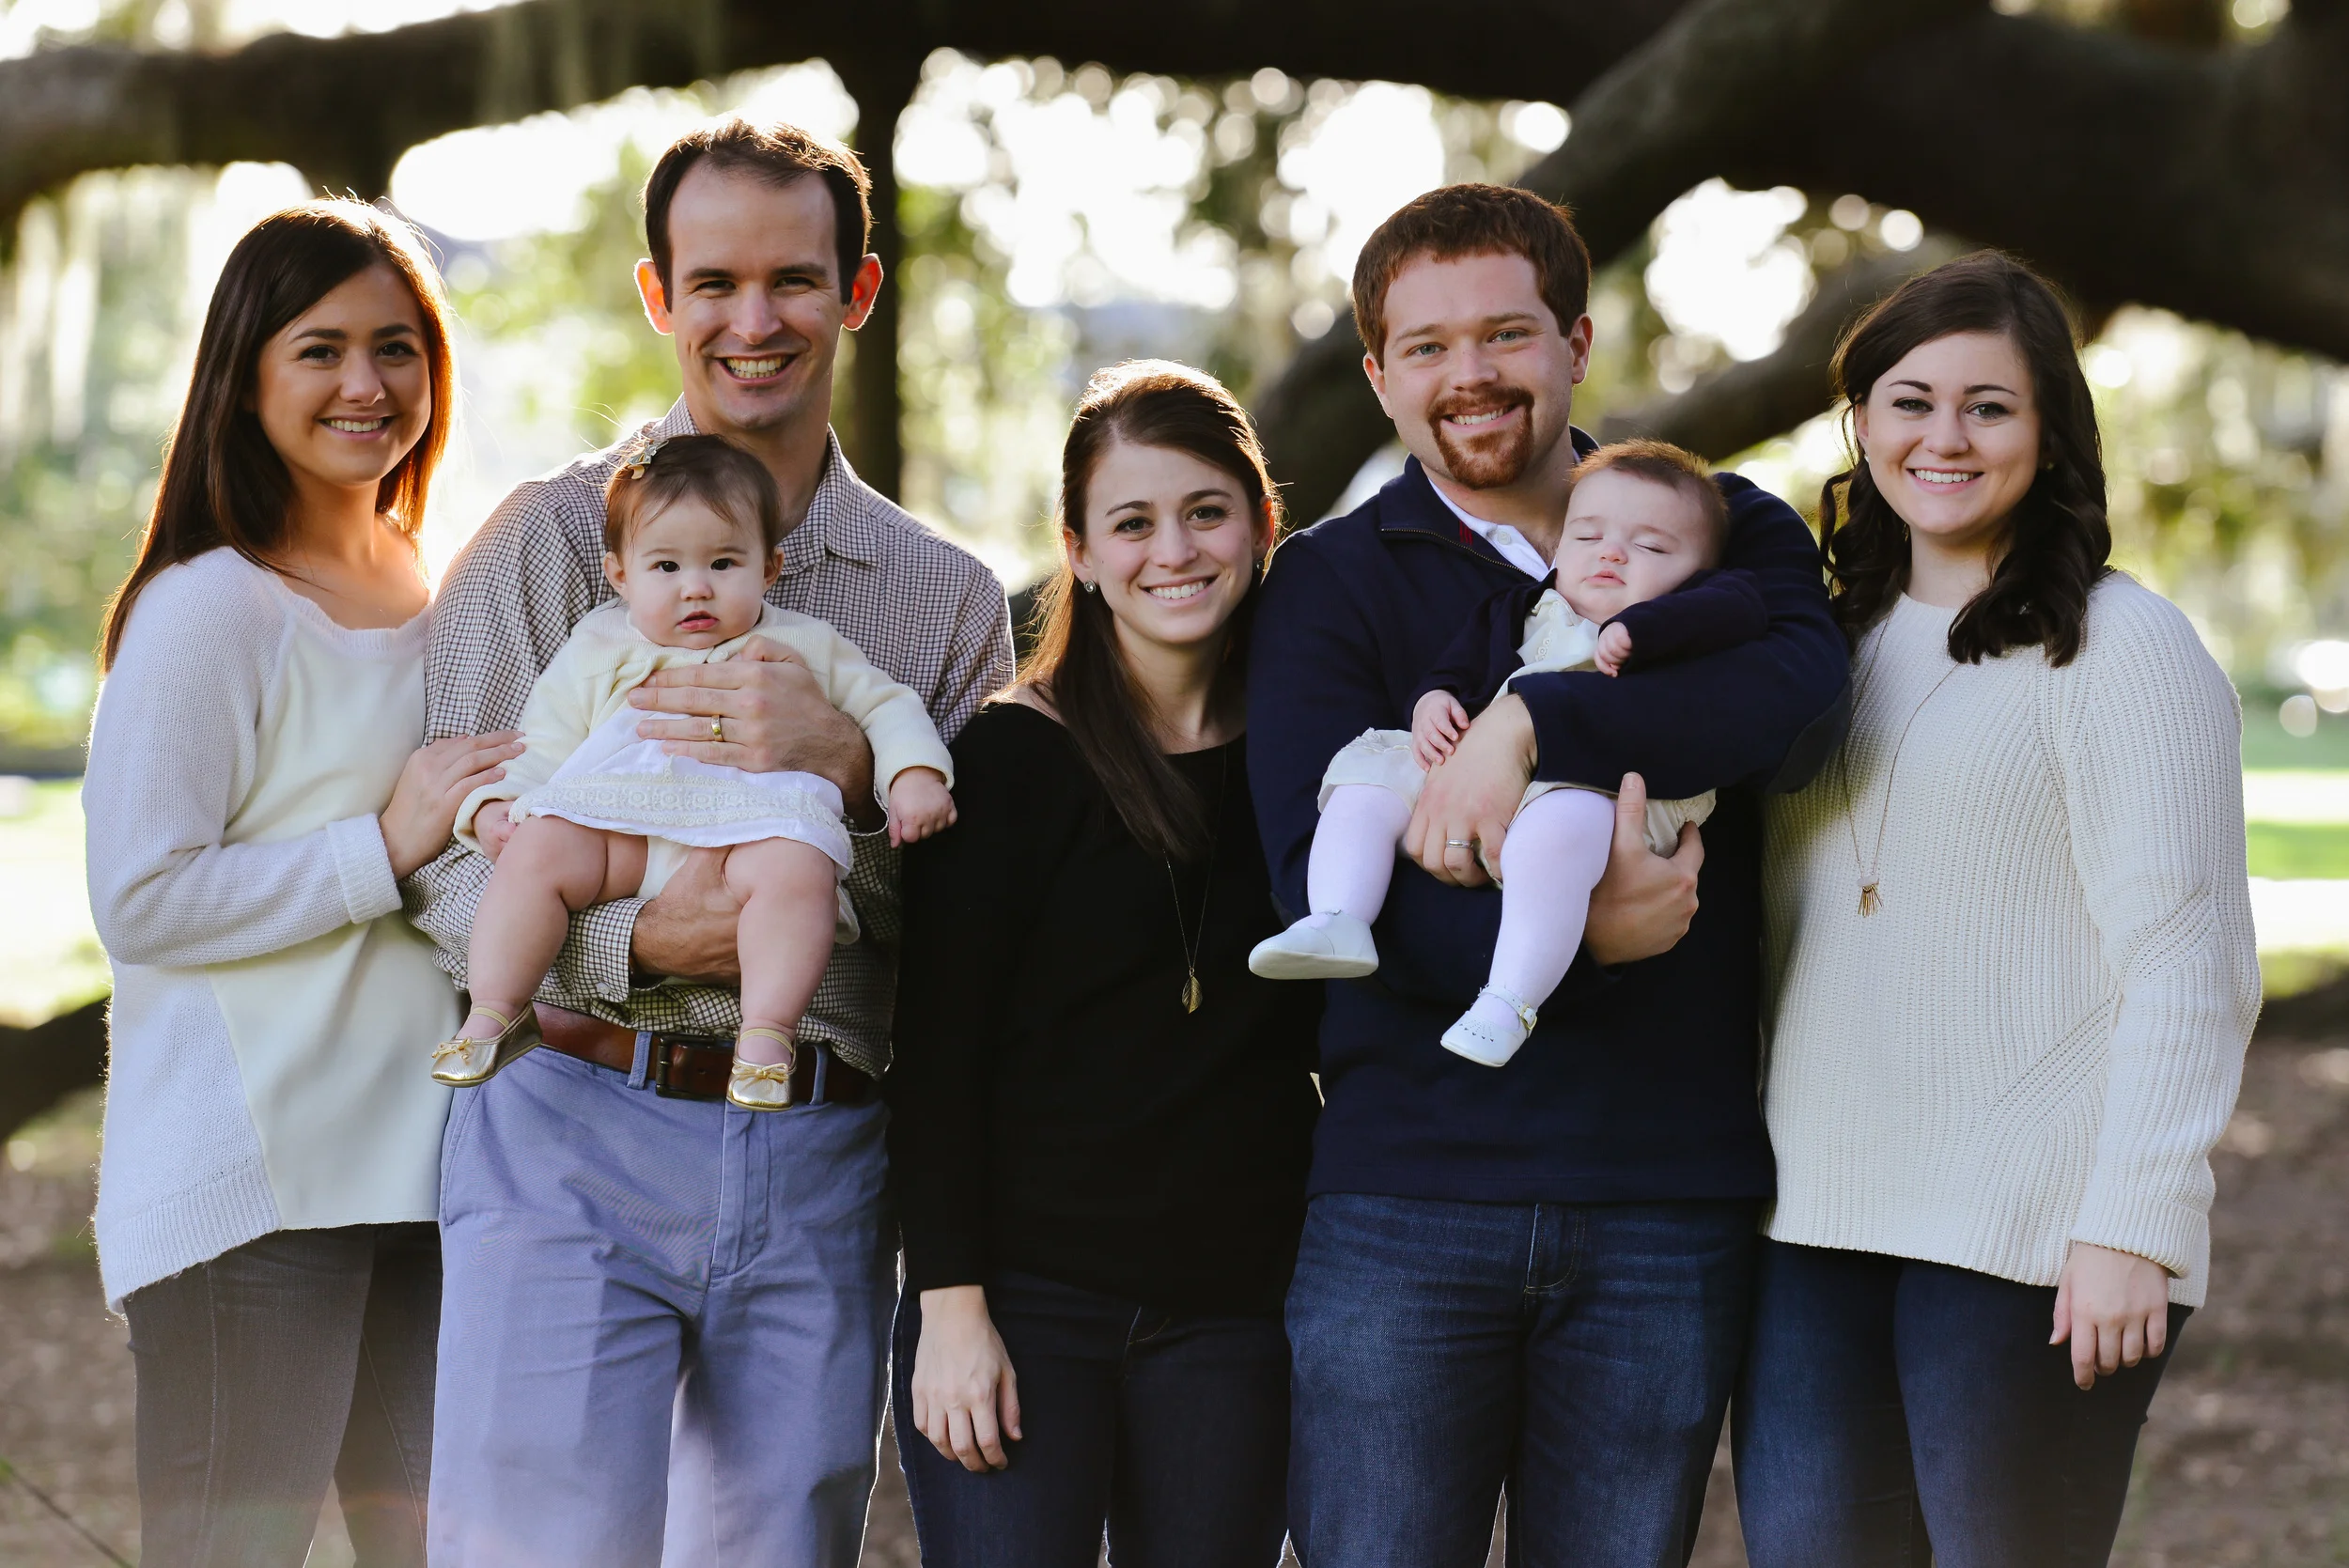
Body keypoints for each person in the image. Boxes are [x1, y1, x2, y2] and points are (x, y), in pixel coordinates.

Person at [408, 117, 1011, 1566]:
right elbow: (444, 858)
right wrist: (635, 939)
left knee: (773, 1546)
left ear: (858, 293)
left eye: (794, 280)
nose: (755, 321)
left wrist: (850, 769)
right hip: (566, 1119)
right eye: (715, 283)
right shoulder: (549, 543)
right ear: (656, 295)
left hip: (818, 1146)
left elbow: (978, 922)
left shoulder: (943, 599)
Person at [1247, 183, 1850, 1564]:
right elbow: (1313, 886)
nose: (1469, 374)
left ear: (1576, 341)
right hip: (1406, 1197)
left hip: (1664, 1196)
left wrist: (1532, 722)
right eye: (1427, 346)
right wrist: (1595, 941)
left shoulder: (1717, 522)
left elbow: (1793, 707)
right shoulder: (1328, 580)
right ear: (1379, 376)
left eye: (1505, 334)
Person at [1735, 251, 2260, 1568]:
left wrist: (2134, 1222)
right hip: (1808, 1226)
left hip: (2029, 1238)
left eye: (1989, 406)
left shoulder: (2120, 647)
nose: (1945, 438)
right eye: (1910, 402)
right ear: (1861, 422)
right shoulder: (1815, 648)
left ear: (2051, 430)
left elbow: (2188, 960)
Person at [82, 201, 520, 1567]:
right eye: (320, 349)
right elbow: (142, 898)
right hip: (256, 1201)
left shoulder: (439, 588)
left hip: (428, 1174)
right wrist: (379, 847)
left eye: (397, 347)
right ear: (245, 374)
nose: (365, 384)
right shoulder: (209, 607)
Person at [886, 361, 1318, 1566]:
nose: (1171, 551)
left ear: (1261, 525)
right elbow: (936, 1059)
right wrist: (951, 1309)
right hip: (1023, 1304)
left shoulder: (1310, 759)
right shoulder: (1008, 759)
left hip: (1235, 1315)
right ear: (1076, 550)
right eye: (1131, 522)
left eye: (1205, 512)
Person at [432, 433, 955, 1110]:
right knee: (536, 850)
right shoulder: (599, 642)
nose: (696, 587)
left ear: (770, 568)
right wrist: (497, 805)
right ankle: (497, 1010)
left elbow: (886, 706)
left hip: (750, 836)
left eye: (724, 563)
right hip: (620, 830)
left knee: (799, 871)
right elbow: (545, 739)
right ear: (620, 574)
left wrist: (914, 775)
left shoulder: (801, 643)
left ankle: (766, 1038)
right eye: (666, 566)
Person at [1250, 440, 1766, 1065]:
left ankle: (1508, 1001)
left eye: (1651, 547)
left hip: (1604, 791)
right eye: (1588, 536)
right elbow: (1463, 665)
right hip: (1481, 773)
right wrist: (1434, 701)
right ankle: (1339, 915)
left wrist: (1648, 628)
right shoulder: (1523, 607)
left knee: (1552, 838)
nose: (1611, 552)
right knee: (1369, 777)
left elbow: (1740, 607)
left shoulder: (1700, 622)